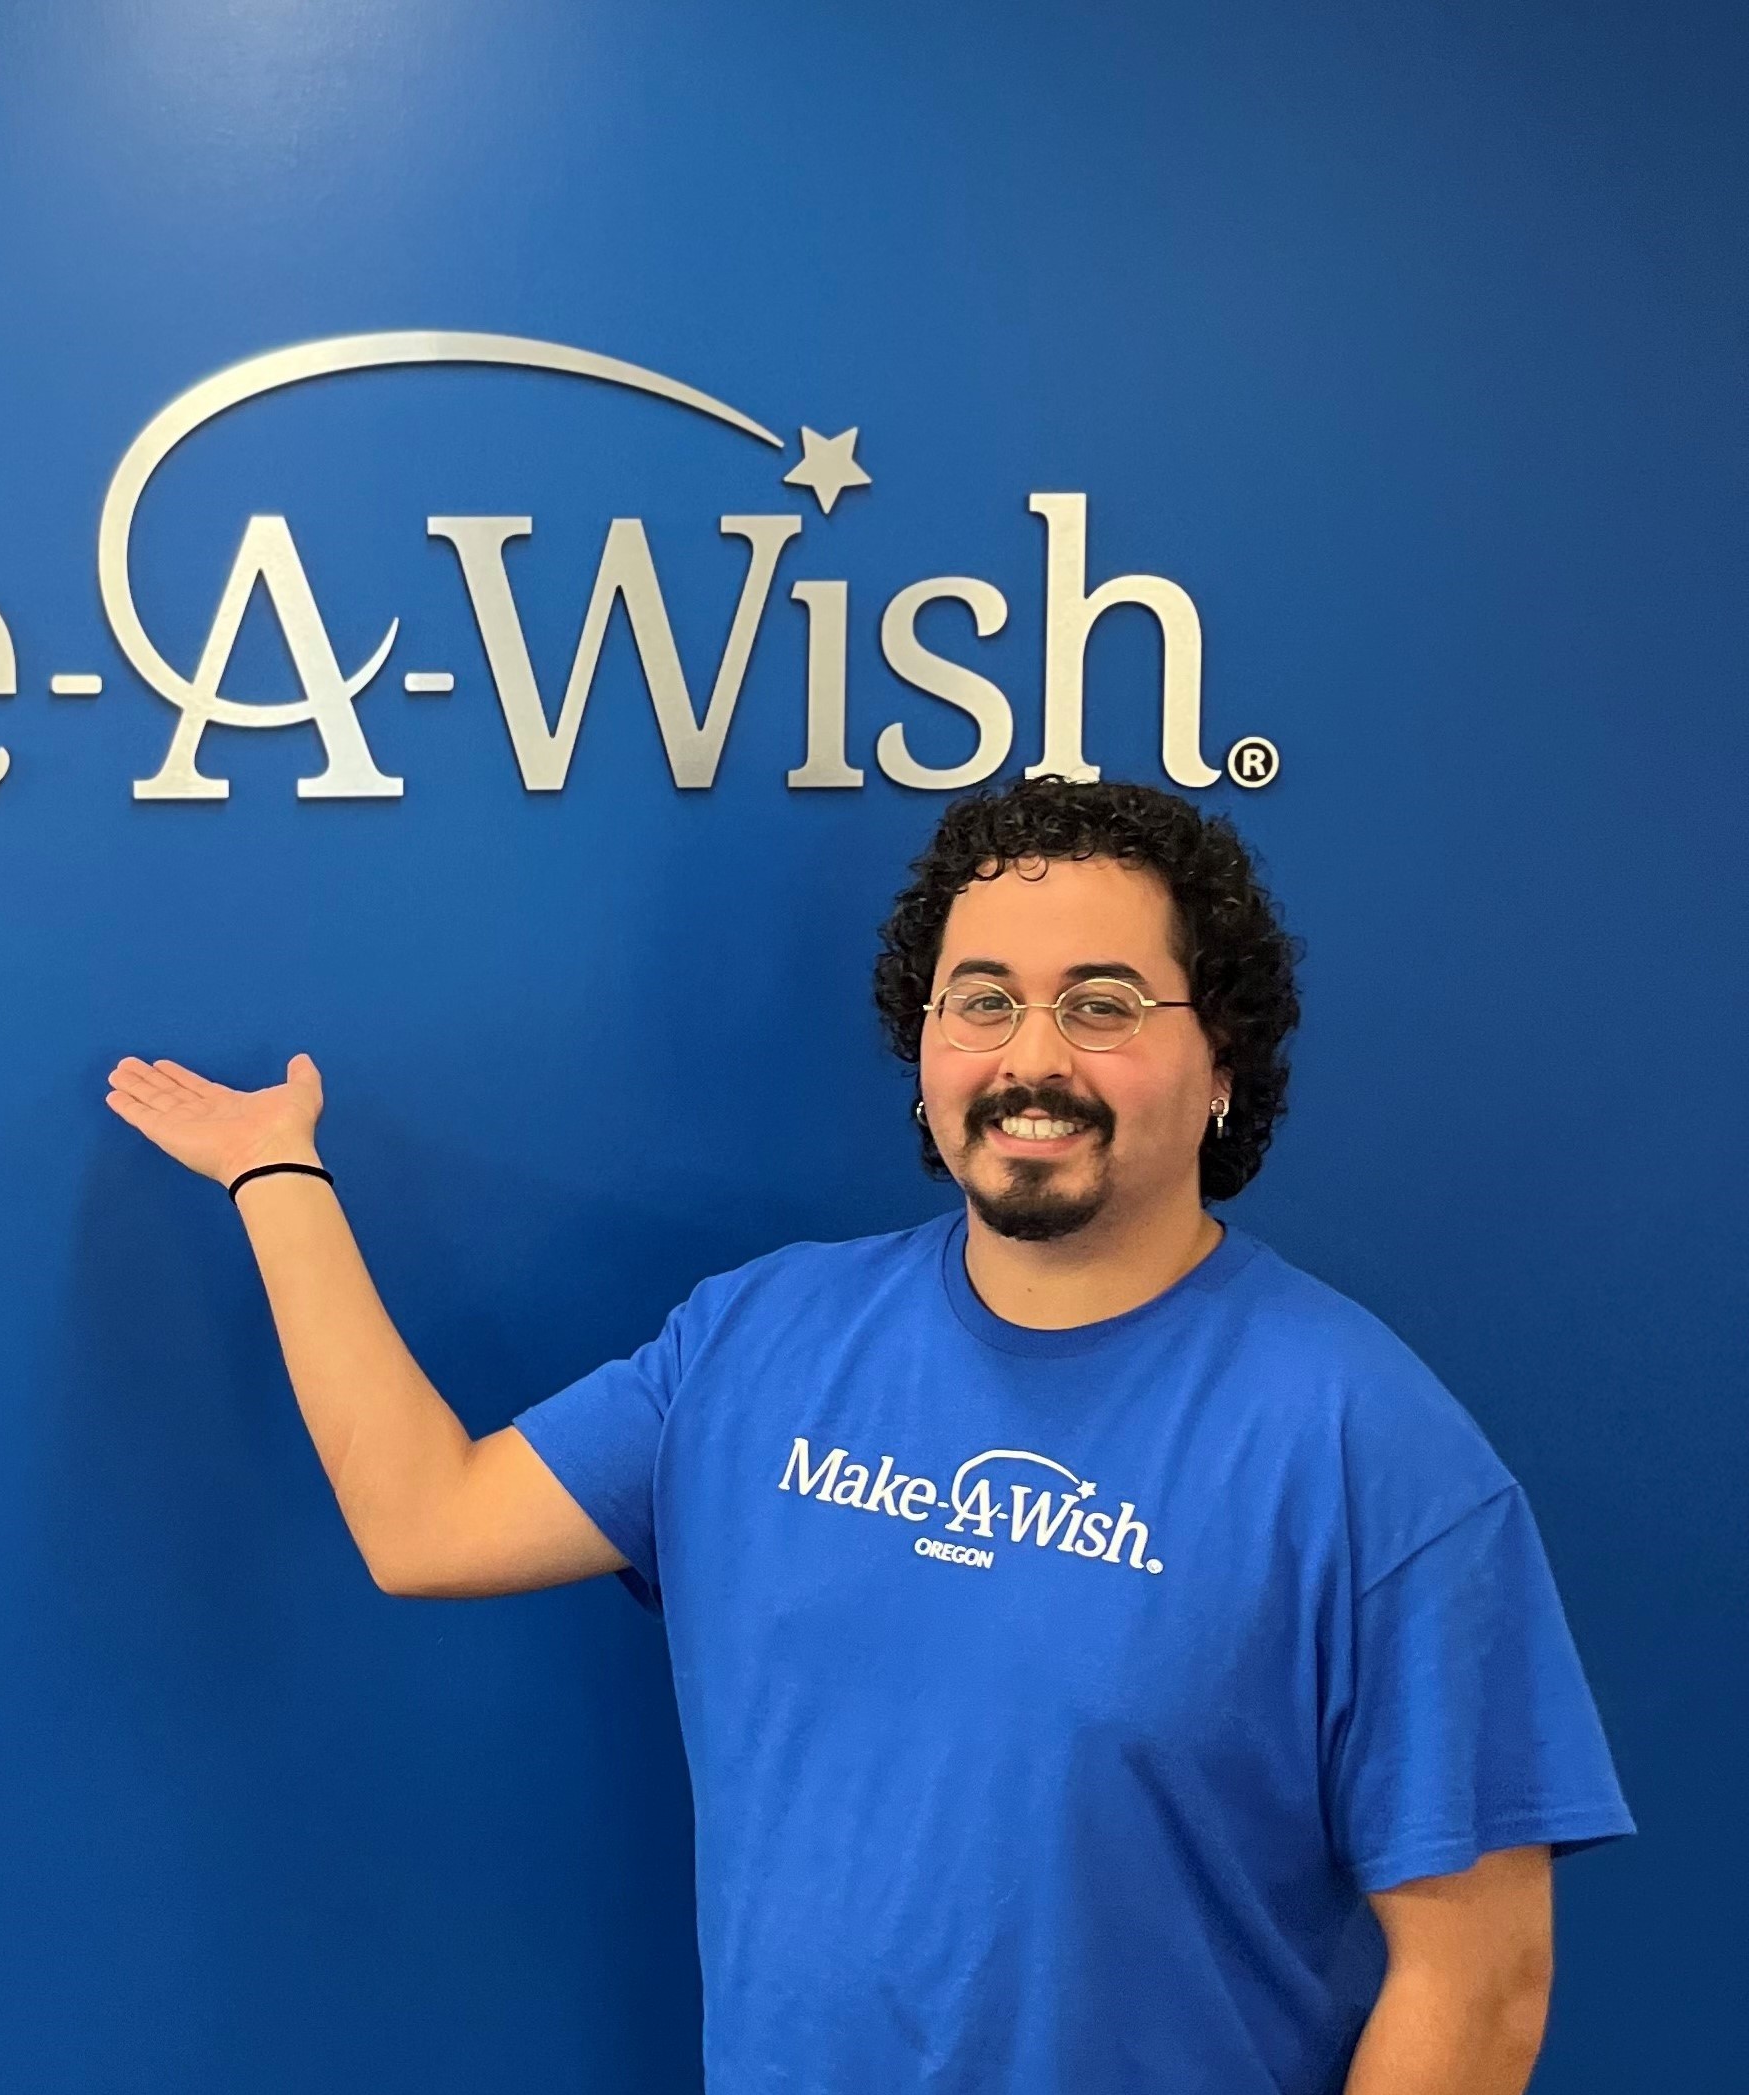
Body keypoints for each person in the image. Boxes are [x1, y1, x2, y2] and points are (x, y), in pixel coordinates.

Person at [103, 778, 1631, 2095]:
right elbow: (427, 1521)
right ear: (925, 1042)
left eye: (1104, 1003)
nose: (1032, 1058)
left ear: (1222, 1058)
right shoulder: (760, 1342)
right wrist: (274, 1179)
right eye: (983, 1000)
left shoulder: (1370, 1447)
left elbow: (1480, 1982)